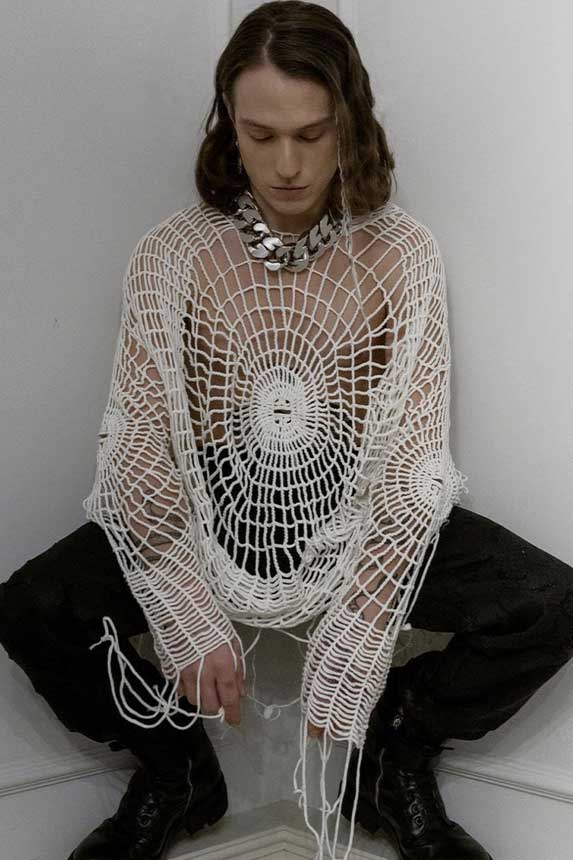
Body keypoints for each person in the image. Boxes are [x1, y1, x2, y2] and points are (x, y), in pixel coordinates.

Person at [1, 3, 572, 859]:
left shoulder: (400, 254)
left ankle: (395, 760)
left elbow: (413, 452)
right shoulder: (173, 254)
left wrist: (367, 614)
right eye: (259, 135)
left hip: (355, 503)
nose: (287, 164)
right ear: (227, 125)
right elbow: (138, 442)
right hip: (207, 500)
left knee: (547, 603)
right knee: (32, 608)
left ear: (351, 121)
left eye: (312, 133)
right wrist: (181, 602)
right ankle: (173, 774)